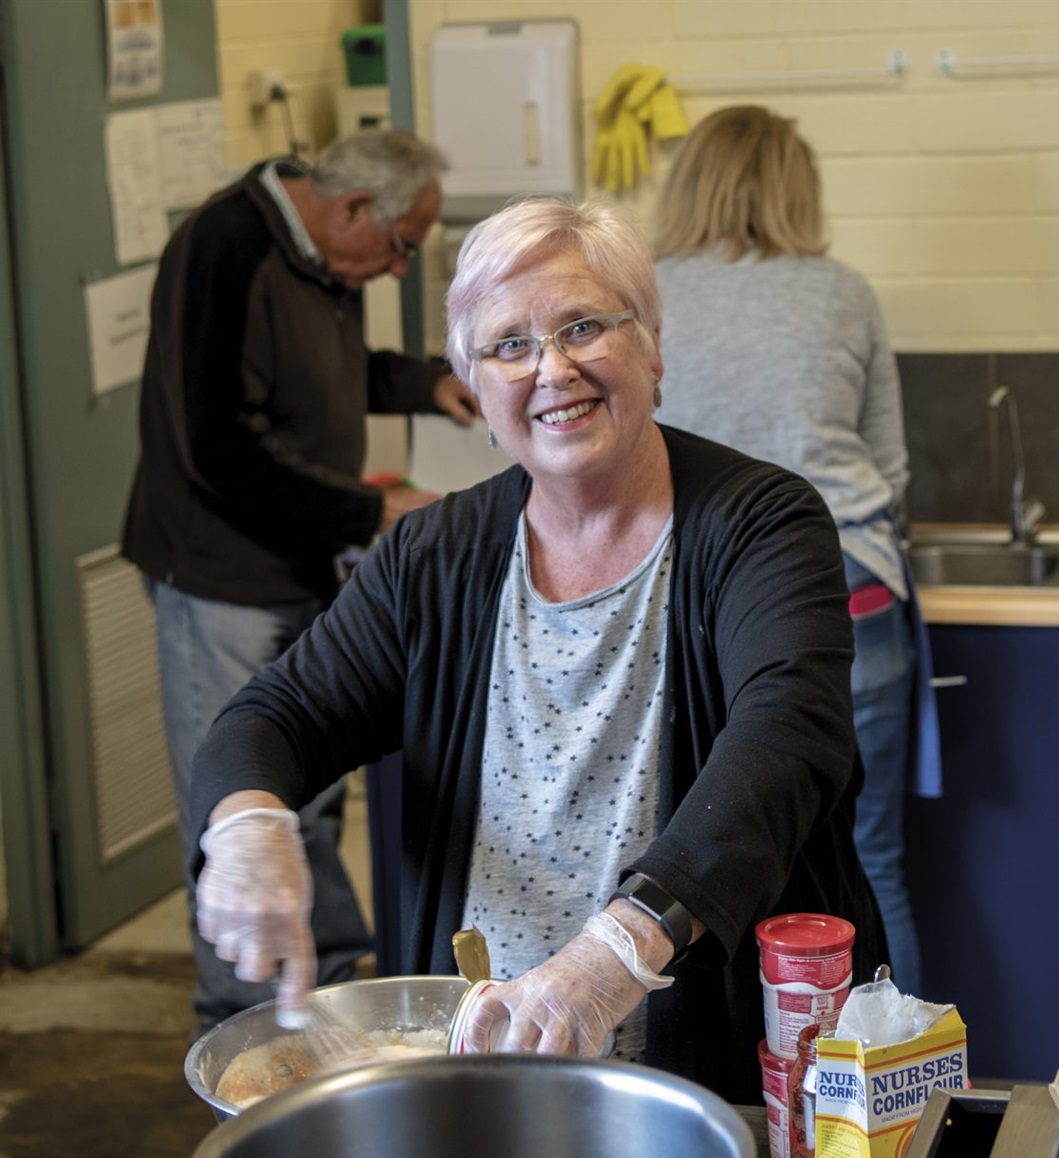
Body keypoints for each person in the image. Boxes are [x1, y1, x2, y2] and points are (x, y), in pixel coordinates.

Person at [186, 196, 886, 1105]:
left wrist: (619, 949)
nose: (552, 368)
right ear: (473, 389)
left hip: (722, 1077)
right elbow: (277, 715)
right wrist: (247, 826)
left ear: (653, 348)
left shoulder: (763, 522)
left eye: (584, 326)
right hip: (490, 1077)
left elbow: (790, 738)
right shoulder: (431, 556)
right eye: (508, 346)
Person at [121, 129, 478, 1037]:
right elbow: (219, 446)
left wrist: (427, 383)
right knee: (238, 824)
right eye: (401, 245)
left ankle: (326, 1007)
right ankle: (246, 1036)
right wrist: (373, 512)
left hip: (299, 567)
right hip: (220, 580)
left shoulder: (328, 261)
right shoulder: (226, 246)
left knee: (307, 806)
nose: (399, 270)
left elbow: (325, 379)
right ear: (355, 208)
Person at [653, 105, 940, 996]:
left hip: (698, 601)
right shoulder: (842, 291)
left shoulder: (645, 294)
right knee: (869, 858)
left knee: (694, 856)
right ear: (796, 188)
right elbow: (887, 469)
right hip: (851, 590)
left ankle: (732, 1098)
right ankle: (900, 1093)